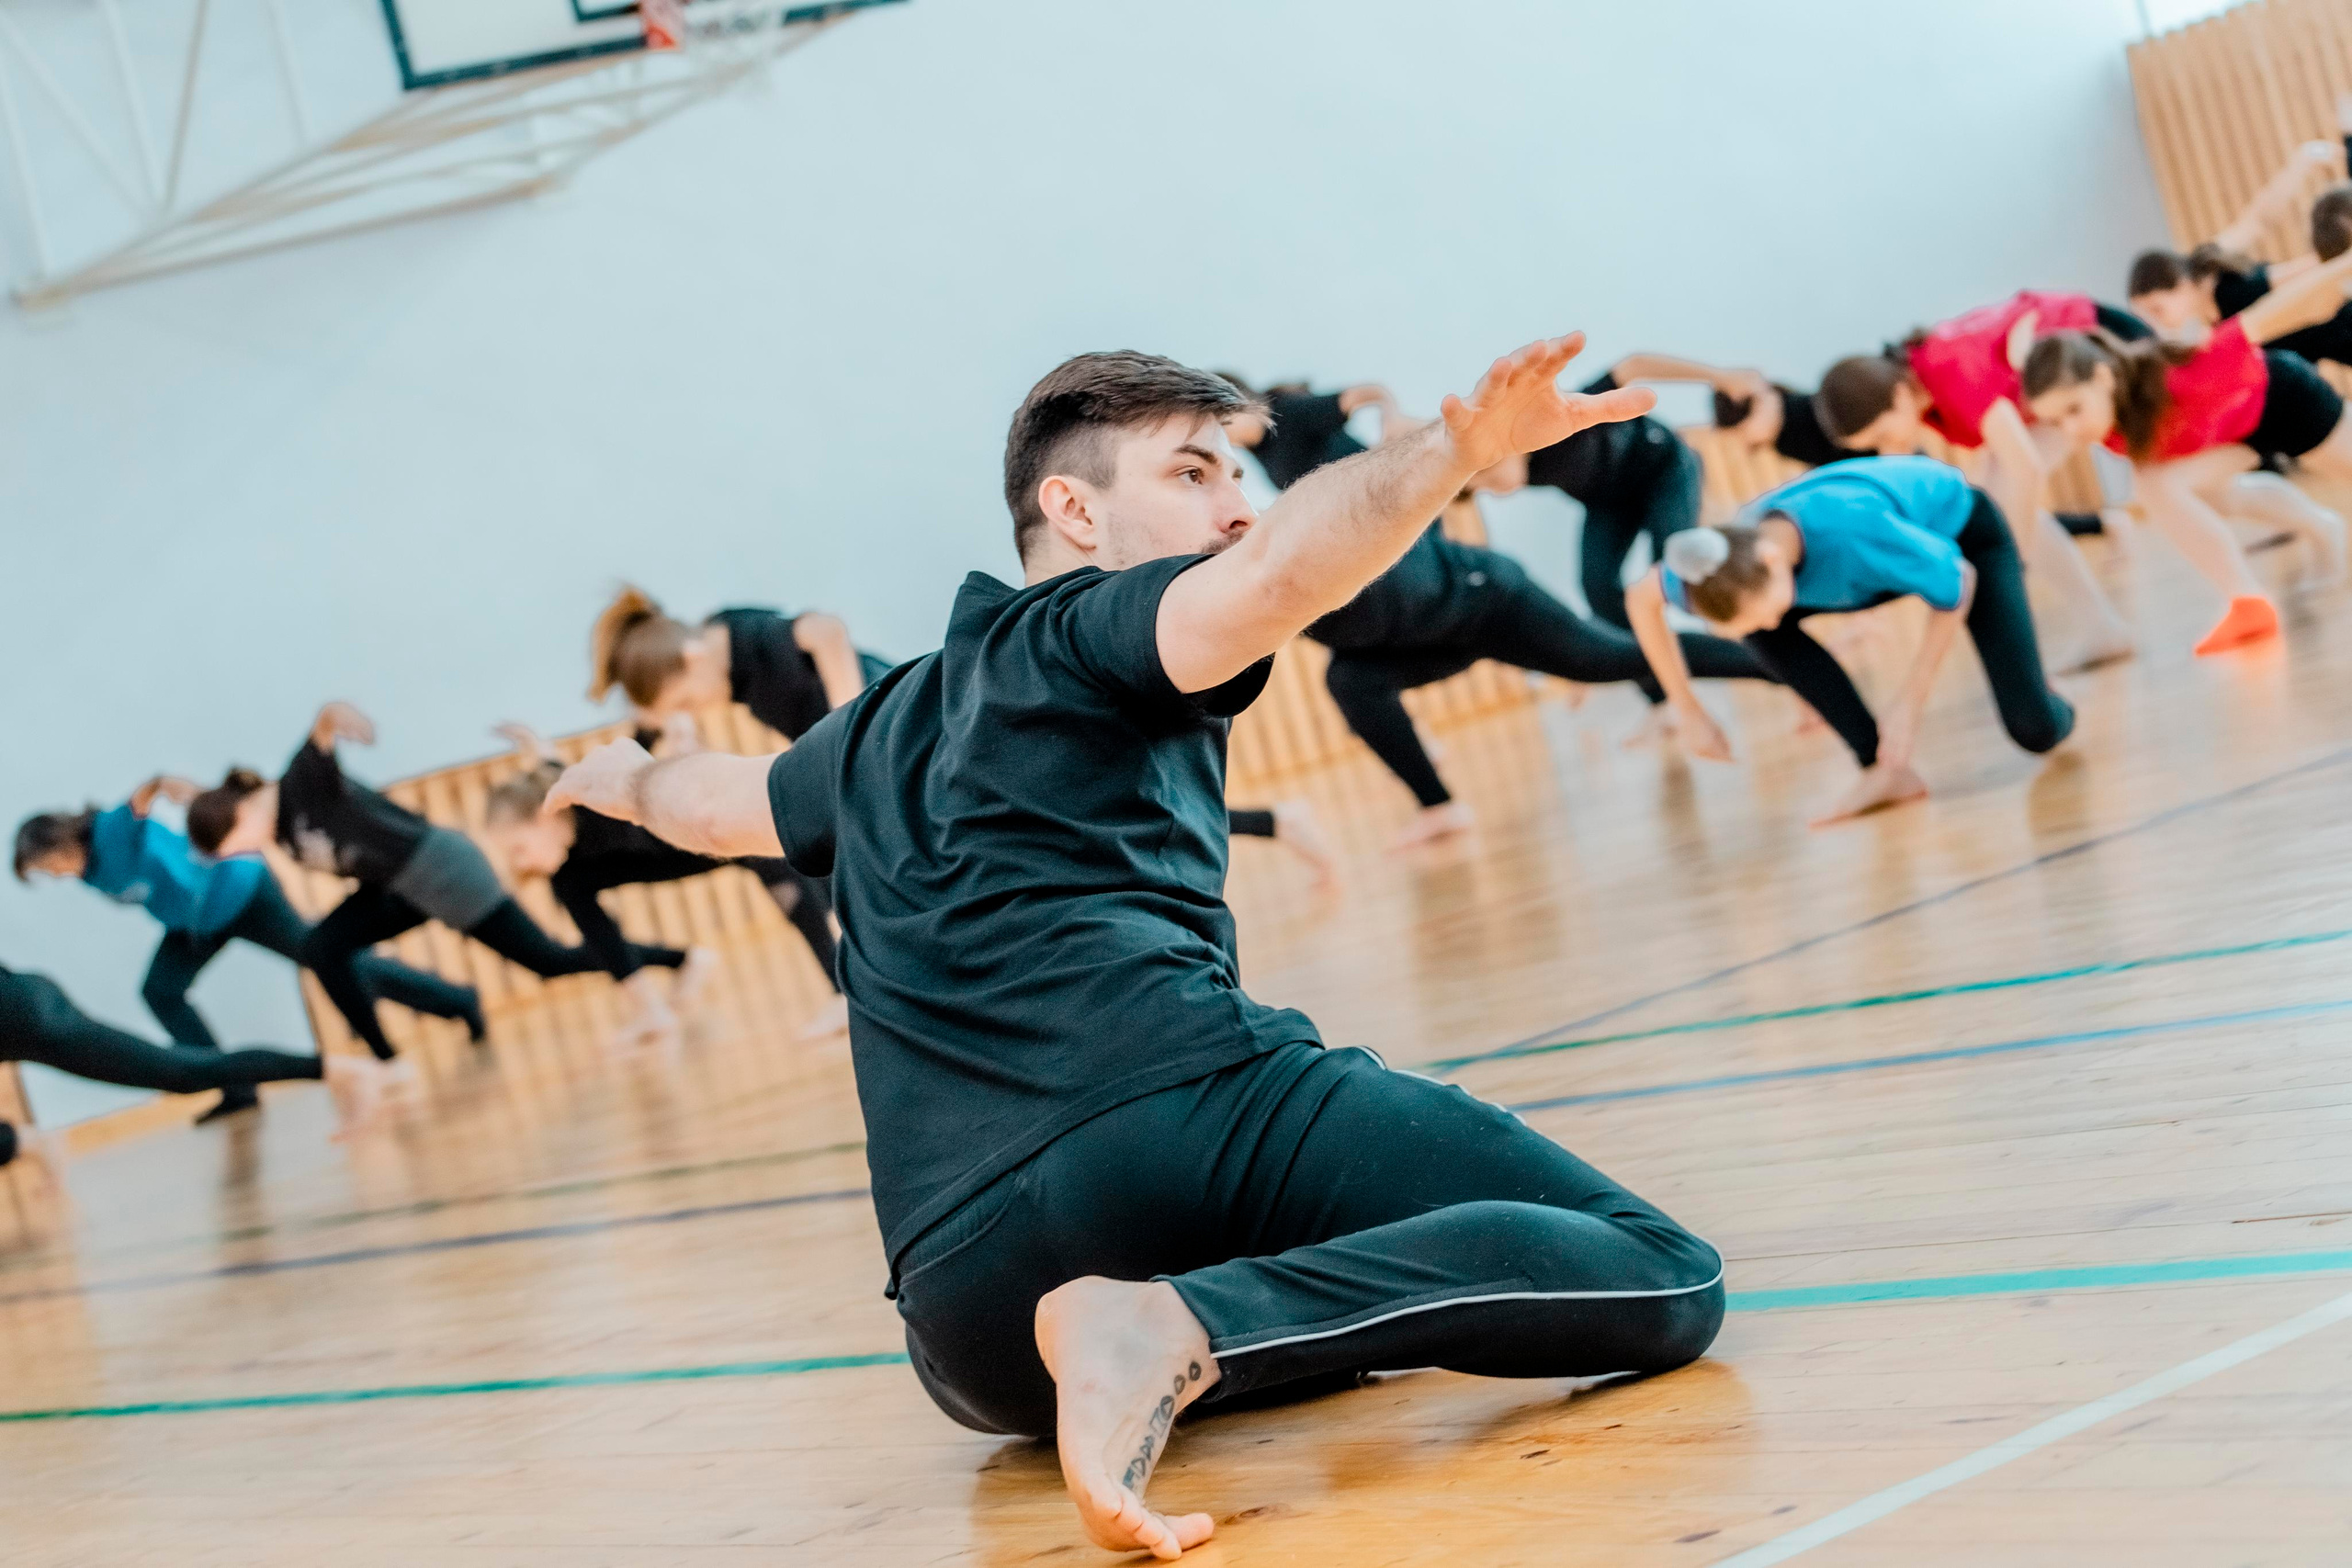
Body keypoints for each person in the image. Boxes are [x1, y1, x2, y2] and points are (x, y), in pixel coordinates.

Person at [541, 339, 1725, 1561]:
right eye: (1193, 472)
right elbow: (1277, 569)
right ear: (1075, 508)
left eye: (1235, 475)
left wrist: (619, 774)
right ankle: (1173, 1321)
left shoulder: (867, 729)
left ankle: (1154, 1335)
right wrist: (1454, 451)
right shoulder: (1091, 625)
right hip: (1175, 1114)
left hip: (970, 1330)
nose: (1232, 505)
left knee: (1329, 1315)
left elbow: (711, 800)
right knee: (1664, 1271)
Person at [1626, 457, 2075, 827]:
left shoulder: (1851, 528)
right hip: (1869, 567)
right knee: (1764, 634)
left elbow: (1960, 581)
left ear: (1771, 558)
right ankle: (1880, 771)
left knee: (2034, 730)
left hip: (1963, 536)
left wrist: (1908, 703)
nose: (1763, 623)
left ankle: (2045, 693)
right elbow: (1640, 597)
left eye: (1763, 609)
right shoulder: (1721, 568)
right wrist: (1687, 709)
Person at [184, 702, 630, 1064]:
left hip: (440, 868)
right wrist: (166, 789)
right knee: (321, 948)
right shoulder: (273, 828)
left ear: (241, 817)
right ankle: (391, 1057)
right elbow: (206, 808)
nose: (241, 855)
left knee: (548, 961)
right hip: (396, 889)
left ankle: (665, 958)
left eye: (234, 847)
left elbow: (324, 719)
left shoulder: (301, 785)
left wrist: (343, 718)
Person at [14, 779, 481, 1119]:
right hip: (197, 924)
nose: (51, 874)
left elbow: (143, 792)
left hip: (241, 893)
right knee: (160, 990)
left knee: (326, 958)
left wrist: (171, 785)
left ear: (59, 840)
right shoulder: (91, 871)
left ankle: (456, 1000)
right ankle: (234, 1085)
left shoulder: (108, 833)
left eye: (46, 864)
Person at [1306, 515, 1779, 845]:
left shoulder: (1308, 531)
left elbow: (1408, 499)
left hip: (1486, 598)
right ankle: (1439, 806)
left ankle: (1776, 669)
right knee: (1350, 681)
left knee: (1610, 660)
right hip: (1426, 637)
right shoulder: (1250, 590)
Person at [2023, 250, 2352, 654]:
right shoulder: (2112, 427)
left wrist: (2343, 263)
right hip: (2238, 435)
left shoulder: (2176, 373)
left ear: (2104, 378)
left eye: (2074, 410)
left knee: (2160, 484)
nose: (2070, 430)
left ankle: (2288, 559)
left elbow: (2276, 314)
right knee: (2178, 488)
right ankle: (2267, 579)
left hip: (2288, 400)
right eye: (2056, 422)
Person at [1815, 290, 2155, 670]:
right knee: (1998, 507)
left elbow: (2026, 467)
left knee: (2164, 472)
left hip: (2100, 340)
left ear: (1898, 396)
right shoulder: (1923, 387)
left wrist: (2015, 565)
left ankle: (2102, 626)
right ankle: (2102, 628)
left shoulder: (1948, 372)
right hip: (2068, 362)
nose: (1887, 453)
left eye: (1881, 437)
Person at [1461, 355, 1777, 740]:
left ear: (1507, 448)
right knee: (1597, 587)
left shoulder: (1556, 419)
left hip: (1664, 472)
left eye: (1491, 480)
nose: (1494, 491)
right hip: (1611, 501)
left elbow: (1633, 365)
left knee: (1677, 583)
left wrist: (1721, 375)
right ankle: (1663, 703)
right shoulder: (1508, 463)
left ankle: (1776, 664)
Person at [479, 723, 844, 1039]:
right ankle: (650, 1011)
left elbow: (617, 756)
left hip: (706, 833)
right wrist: (531, 741)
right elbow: (546, 760)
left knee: (777, 865)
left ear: (544, 815)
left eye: (519, 848)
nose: (520, 863)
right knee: (569, 886)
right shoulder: (566, 866)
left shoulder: (589, 796)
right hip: (675, 856)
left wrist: (673, 729)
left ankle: (844, 991)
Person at [1, 961, 384, 1130]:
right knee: (185, 1072)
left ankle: (344, 1071)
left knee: (185, 1073)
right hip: (25, 1000)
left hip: (28, 1019)